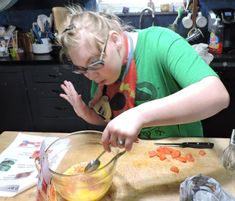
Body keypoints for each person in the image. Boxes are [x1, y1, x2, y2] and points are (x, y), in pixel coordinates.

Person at [58, 5, 230, 152]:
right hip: (138, 158)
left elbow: (217, 95)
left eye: (94, 63)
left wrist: (139, 115)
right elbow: (111, 122)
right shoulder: (101, 75)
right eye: (82, 69)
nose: (90, 76)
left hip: (183, 152)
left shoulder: (161, 41)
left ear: (115, 40)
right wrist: (86, 114)